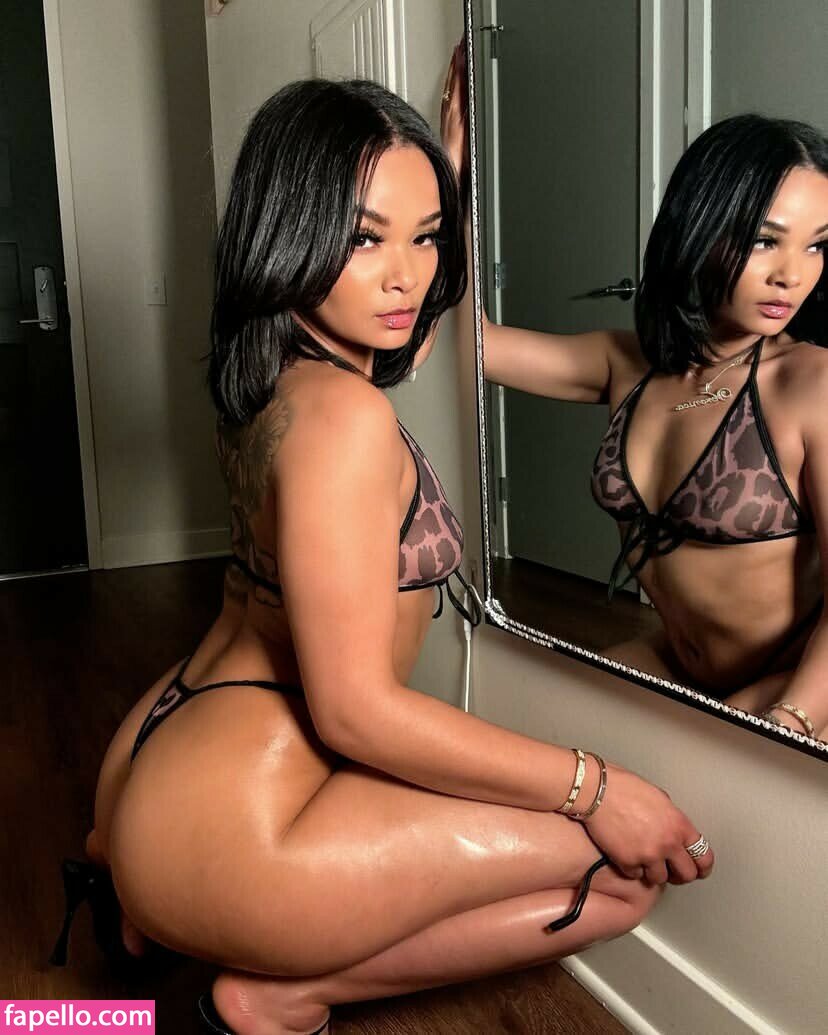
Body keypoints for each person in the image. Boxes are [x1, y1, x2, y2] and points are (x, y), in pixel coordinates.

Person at [54, 79, 712, 1035]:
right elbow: (354, 710)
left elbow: (418, 311)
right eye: (365, 238)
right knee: (622, 873)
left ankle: (141, 906)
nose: (406, 275)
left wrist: (448, 168)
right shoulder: (346, 420)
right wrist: (599, 785)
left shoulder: (277, 373)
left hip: (159, 757)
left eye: (427, 235)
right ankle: (277, 993)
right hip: (240, 819)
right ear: (291, 232)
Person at [441, 43, 828, 742]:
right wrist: (452, 175)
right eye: (765, 241)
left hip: (793, 687)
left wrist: (788, 721)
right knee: (527, 740)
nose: (792, 275)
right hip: (675, 663)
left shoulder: (812, 384)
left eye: (817, 245)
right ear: (701, 226)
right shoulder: (628, 364)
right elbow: (474, 346)